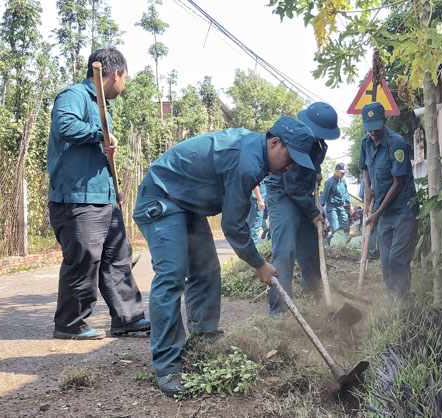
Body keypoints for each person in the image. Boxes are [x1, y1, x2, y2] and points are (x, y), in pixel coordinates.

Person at [133, 116, 315, 396]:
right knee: (171, 274)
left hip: (185, 203)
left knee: (206, 268)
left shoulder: (257, 156)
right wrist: (259, 264)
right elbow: (232, 225)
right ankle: (167, 365)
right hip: (161, 196)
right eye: (290, 158)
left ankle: (204, 335)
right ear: (275, 142)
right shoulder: (247, 161)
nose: (290, 167)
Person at [47, 47, 150, 340]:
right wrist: (99, 134)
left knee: (118, 258)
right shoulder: (73, 96)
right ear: (116, 73)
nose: (123, 84)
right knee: (84, 259)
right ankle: (70, 324)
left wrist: (114, 190)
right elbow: (64, 125)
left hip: (103, 196)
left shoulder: (101, 105)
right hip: (78, 198)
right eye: (125, 78)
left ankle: (128, 318)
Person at [265, 102, 340, 315]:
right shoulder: (293, 139)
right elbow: (292, 184)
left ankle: (315, 303)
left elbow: (306, 174)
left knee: (311, 251)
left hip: (303, 195)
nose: (319, 138)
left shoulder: (320, 145)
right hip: (282, 193)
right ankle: (280, 312)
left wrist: (315, 173)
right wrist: (314, 213)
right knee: (285, 251)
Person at [359, 102, 419, 298]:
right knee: (385, 261)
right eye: (369, 128)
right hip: (383, 213)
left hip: (402, 210)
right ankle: (393, 295)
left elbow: (398, 183)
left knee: (397, 259)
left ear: (385, 121)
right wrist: (368, 188)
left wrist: (377, 213)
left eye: (376, 128)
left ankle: (401, 302)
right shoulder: (365, 143)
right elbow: (365, 169)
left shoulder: (397, 144)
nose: (373, 133)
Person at [320, 162, 353, 235]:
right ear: (337, 171)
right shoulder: (329, 182)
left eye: (344, 173)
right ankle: (333, 244)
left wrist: (350, 204)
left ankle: (342, 243)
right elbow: (324, 196)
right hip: (332, 208)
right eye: (342, 173)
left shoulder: (343, 181)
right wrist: (320, 209)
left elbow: (345, 193)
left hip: (340, 207)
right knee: (336, 229)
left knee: (346, 226)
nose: (343, 175)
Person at [359, 177, 378, 261]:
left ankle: (368, 254)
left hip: (370, 206)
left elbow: (361, 194)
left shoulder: (365, 179)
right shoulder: (380, 176)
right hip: (378, 205)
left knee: (370, 228)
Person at [247, 181, 266, 245]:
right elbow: (254, 181)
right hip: (256, 200)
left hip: (253, 197)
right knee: (254, 227)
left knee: (251, 226)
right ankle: (252, 252)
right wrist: (259, 199)